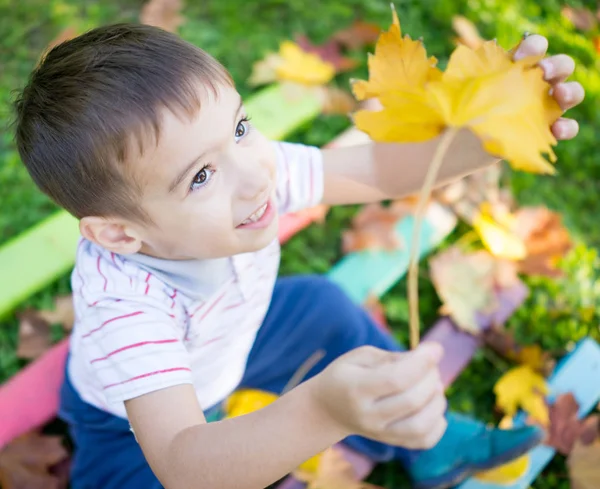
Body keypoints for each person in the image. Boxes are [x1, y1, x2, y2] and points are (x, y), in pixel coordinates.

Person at [13, 23, 583, 489]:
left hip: (236, 341)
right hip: (133, 428)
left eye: (239, 126)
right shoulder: (125, 307)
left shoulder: (249, 171)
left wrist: (488, 135)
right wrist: (324, 411)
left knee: (323, 304)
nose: (256, 177)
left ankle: (432, 443)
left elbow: (375, 169)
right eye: (201, 176)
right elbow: (185, 463)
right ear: (118, 234)